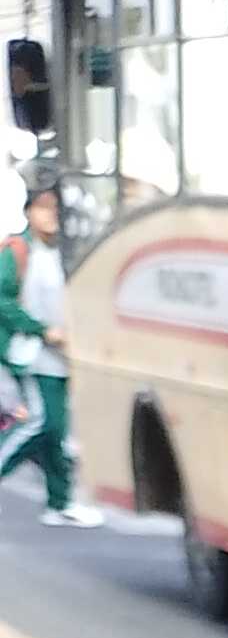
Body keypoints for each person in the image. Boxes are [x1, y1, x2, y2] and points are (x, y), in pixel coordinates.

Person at [0, 185, 102, 527]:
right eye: (43, 207)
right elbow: (3, 301)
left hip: (59, 357)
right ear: (29, 211)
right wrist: (41, 329)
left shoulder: (64, 252)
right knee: (41, 423)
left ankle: (60, 501)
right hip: (30, 352)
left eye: (55, 207)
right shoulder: (18, 250)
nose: (51, 214)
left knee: (55, 431)